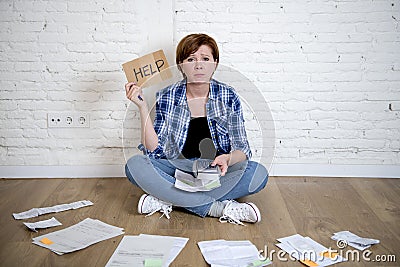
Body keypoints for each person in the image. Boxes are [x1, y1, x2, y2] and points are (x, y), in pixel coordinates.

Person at [124, 33, 268, 225]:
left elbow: (243, 148)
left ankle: (169, 198)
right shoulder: (168, 95)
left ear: (215, 63)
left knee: (258, 173)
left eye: (205, 59)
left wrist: (228, 158)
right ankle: (217, 208)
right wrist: (142, 107)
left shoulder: (228, 95)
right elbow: (153, 150)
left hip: (215, 170)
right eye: (191, 59)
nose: (199, 65)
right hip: (176, 168)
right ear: (181, 64)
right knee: (135, 166)